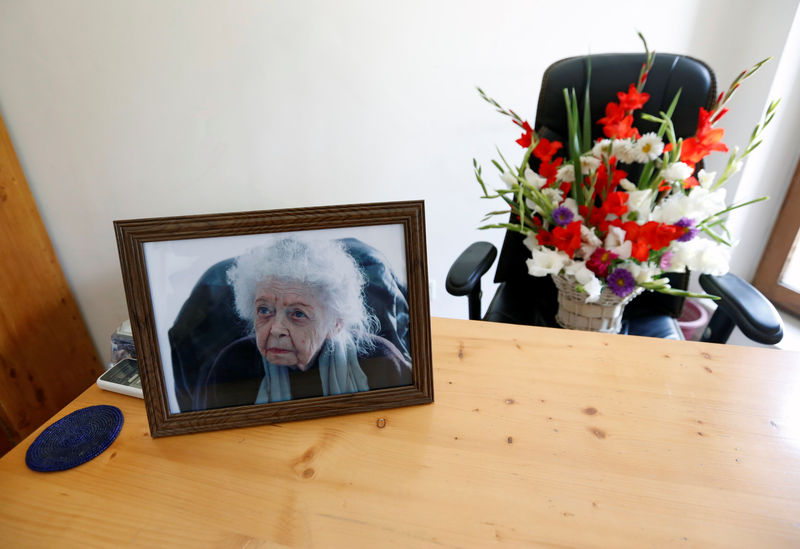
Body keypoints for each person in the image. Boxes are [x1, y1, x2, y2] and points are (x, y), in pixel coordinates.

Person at [196, 236, 412, 409]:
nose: (276, 330)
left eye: (298, 314)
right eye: (264, 310)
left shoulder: (379, 361)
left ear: (335, 323)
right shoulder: (233, 365)